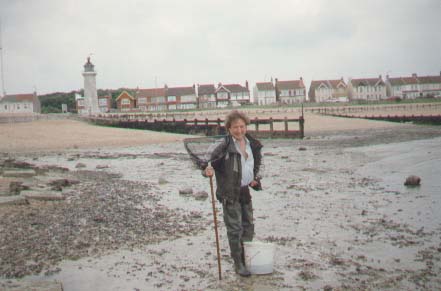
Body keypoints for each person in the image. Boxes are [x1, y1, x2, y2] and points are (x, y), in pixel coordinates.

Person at [203, 110, 263, 277]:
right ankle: (238, 263)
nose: (239, 130)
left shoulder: (253, 144)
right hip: (229, 192)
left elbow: (256, 165)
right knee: (235, 229)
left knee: (248, 226)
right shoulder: (223, 146)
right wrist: (206, 170)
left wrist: (255, 179)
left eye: (242, 126)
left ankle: (247, 258)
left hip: (245, 191)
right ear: (228, 128)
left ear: (246, 126)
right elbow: (207, 162)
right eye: (235, 127)